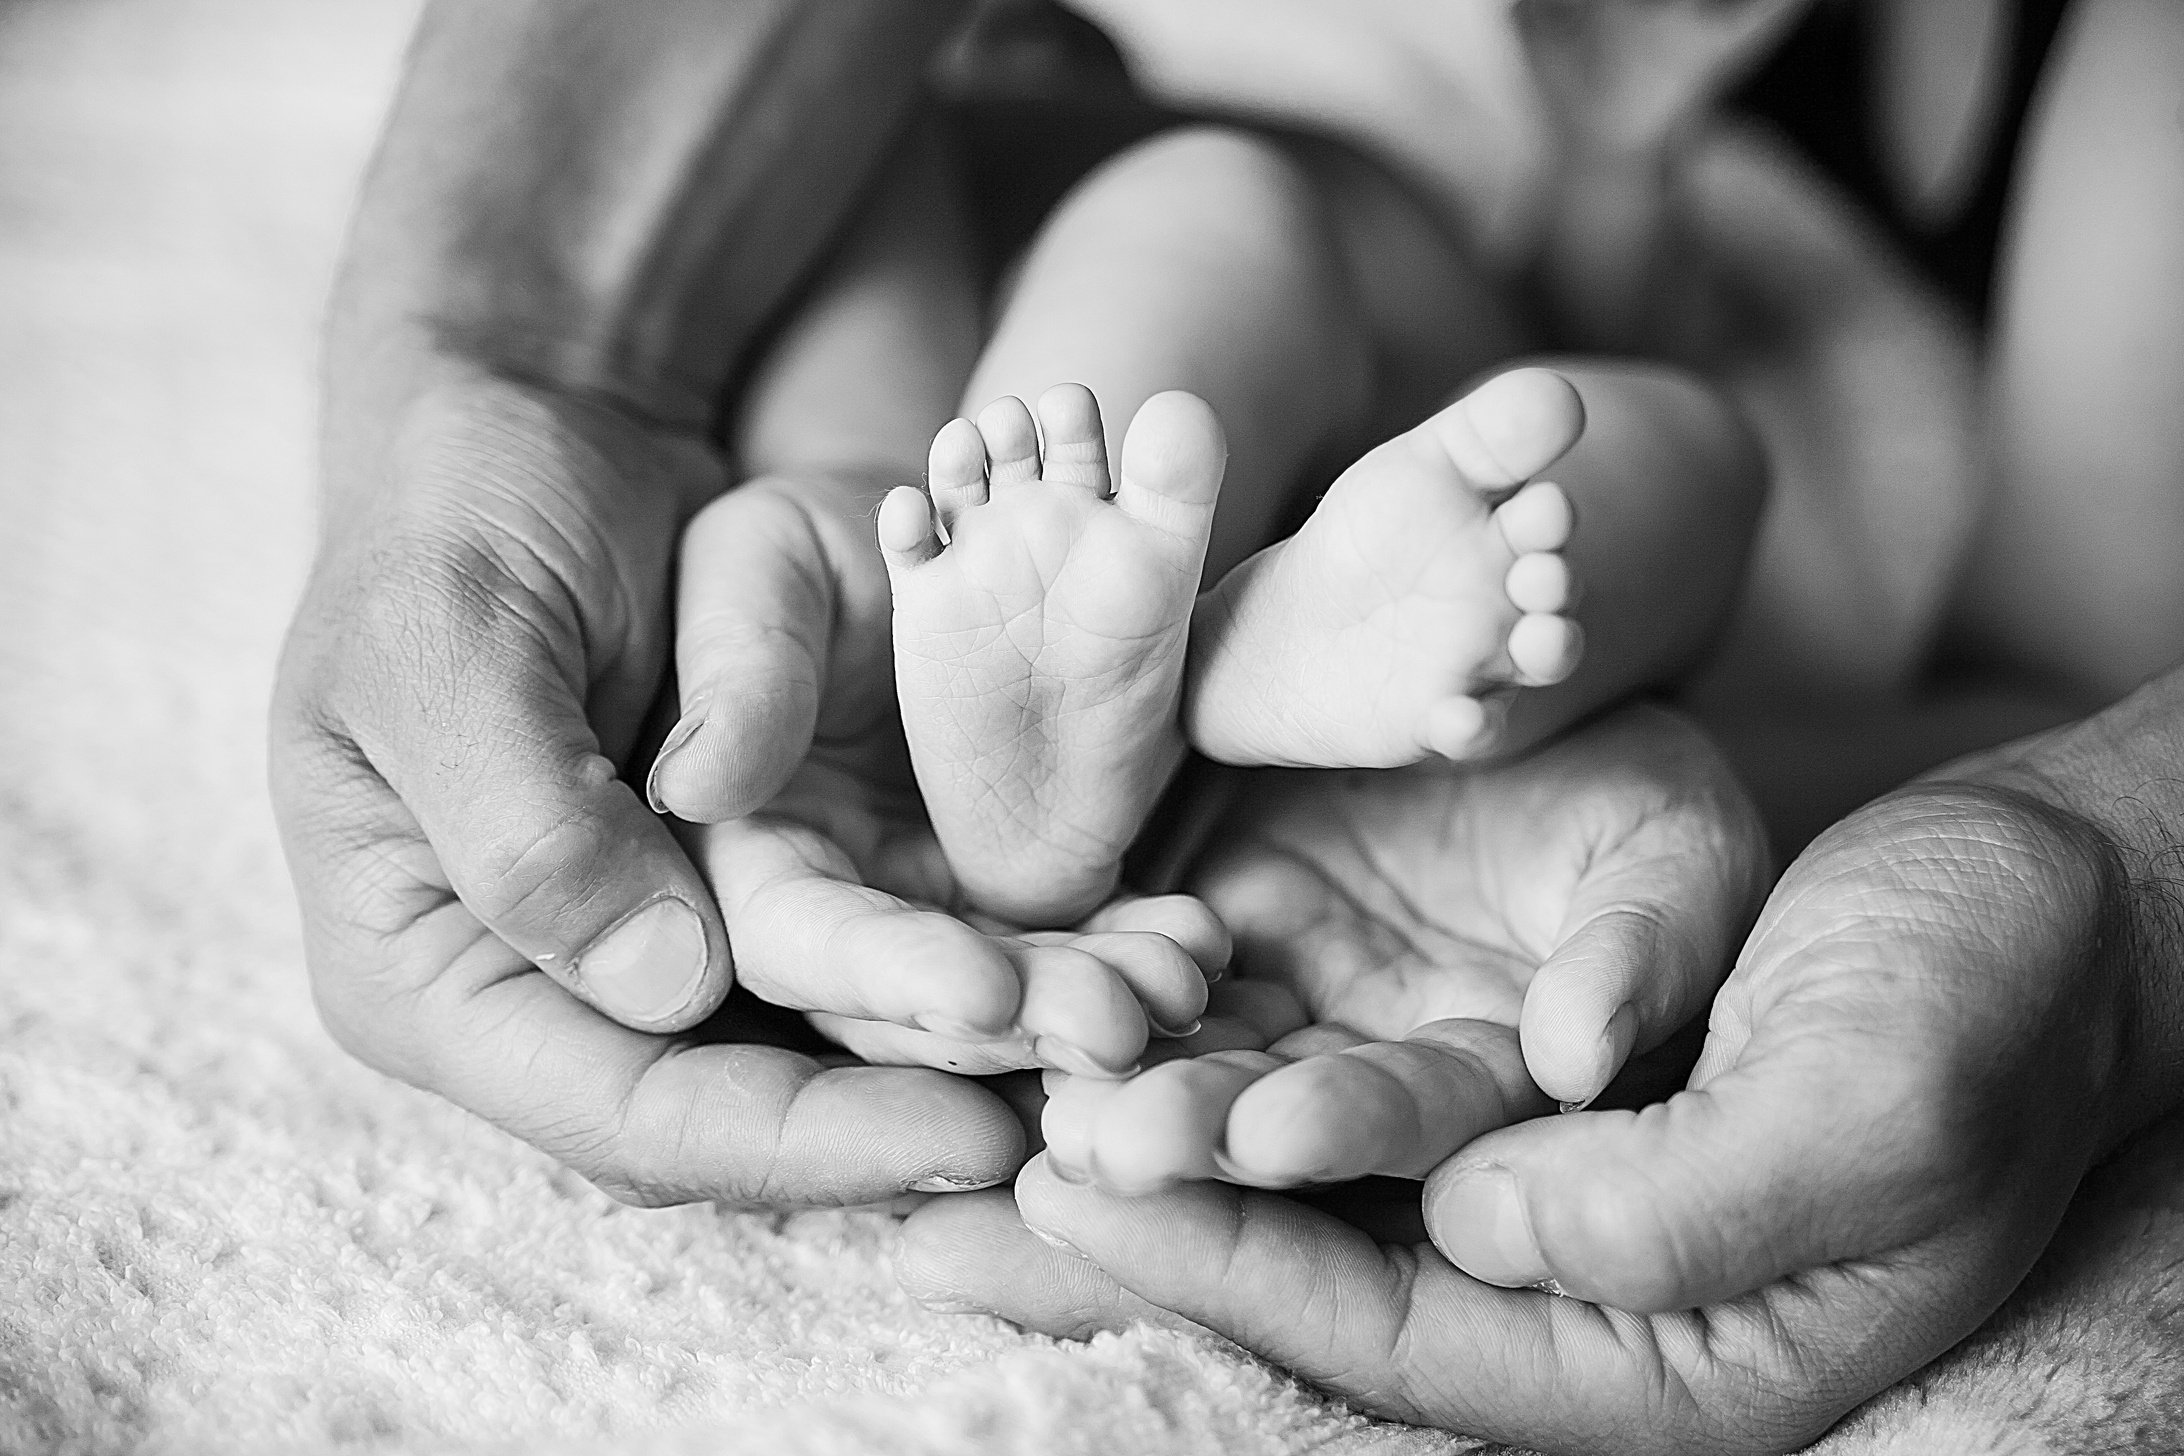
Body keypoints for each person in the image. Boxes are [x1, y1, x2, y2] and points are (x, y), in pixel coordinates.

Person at [266, 0, 2184, 1449]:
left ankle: (1201, 660)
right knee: (1582, 418)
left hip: (1157, 528)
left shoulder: (2107, 108)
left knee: (1273, 273)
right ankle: (1189, 647)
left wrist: (1675, 822)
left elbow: (2062, 699)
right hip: (959, 490)